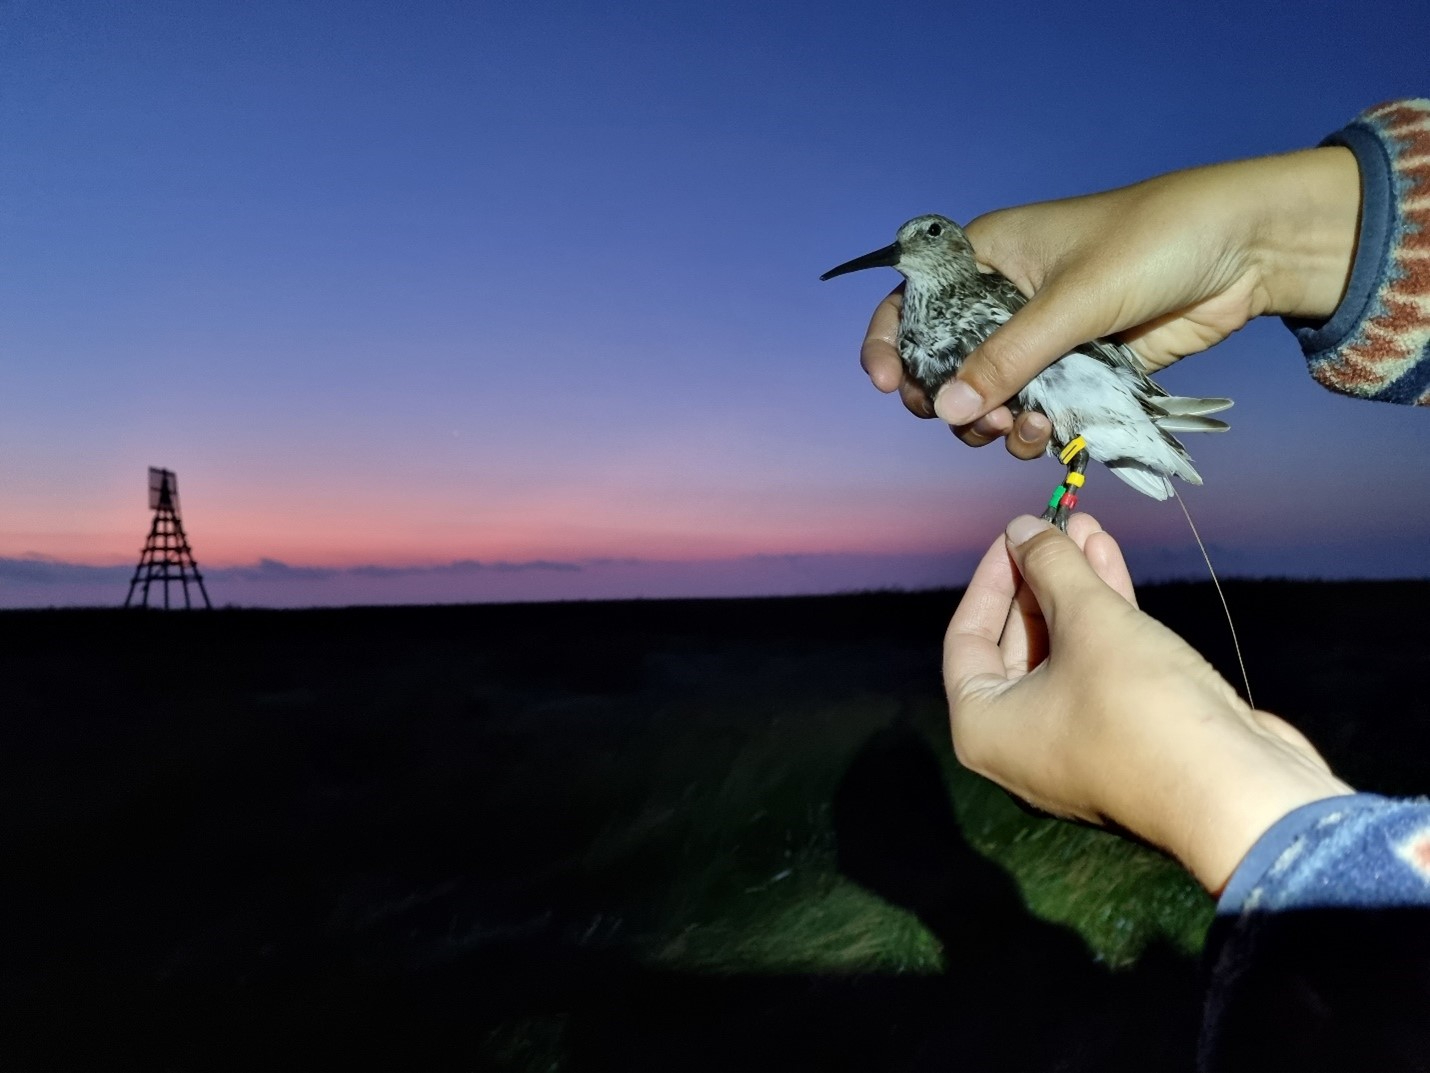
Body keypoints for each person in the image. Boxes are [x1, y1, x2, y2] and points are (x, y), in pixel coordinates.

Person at [854, 99, 1430, 1068]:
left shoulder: (983, 288)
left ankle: (1067, 484)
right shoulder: (928, 306)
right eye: (900, 245)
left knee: (1041, 421)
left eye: (923, 237)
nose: (902, 253)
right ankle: (1068, 482)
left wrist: (1208, 784)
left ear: (950, 248)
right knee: (1046, 431)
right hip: (1084, 398)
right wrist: (1255, 241)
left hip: (1099, 387)